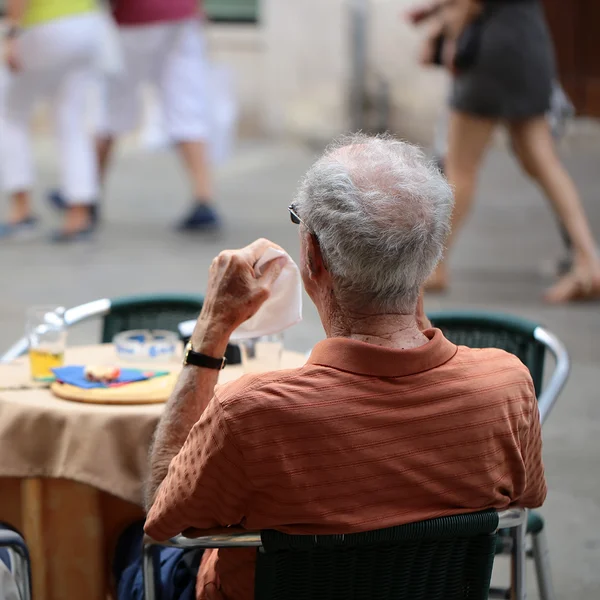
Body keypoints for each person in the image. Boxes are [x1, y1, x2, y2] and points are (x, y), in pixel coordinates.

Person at [113, 135, 547, 600]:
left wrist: (211, 329)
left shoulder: (250, 414)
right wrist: (403, 277)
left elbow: (163, 517)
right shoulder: (506, 387)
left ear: (312, 256)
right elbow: (528, 499)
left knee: (127, 546)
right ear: (430, 255)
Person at [413, 0, 600, 302]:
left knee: (460, 168)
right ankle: (588, 261)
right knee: (541, 160)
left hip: (492, 48)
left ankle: (433, 266)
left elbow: (470, 3)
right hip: (529, 45)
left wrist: (448, 33)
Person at [56, 0, 217, 231]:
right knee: (185, 106)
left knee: (111, 107)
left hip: (134, 17)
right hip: (182, 14)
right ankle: (205, 198)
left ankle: (85, 193)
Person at [0, 0, 102, 241]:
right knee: (72, 121)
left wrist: (12, 33)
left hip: (43, 26)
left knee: (9, 114)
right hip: (87, 24)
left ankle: (21, 209)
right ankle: (78, 213)